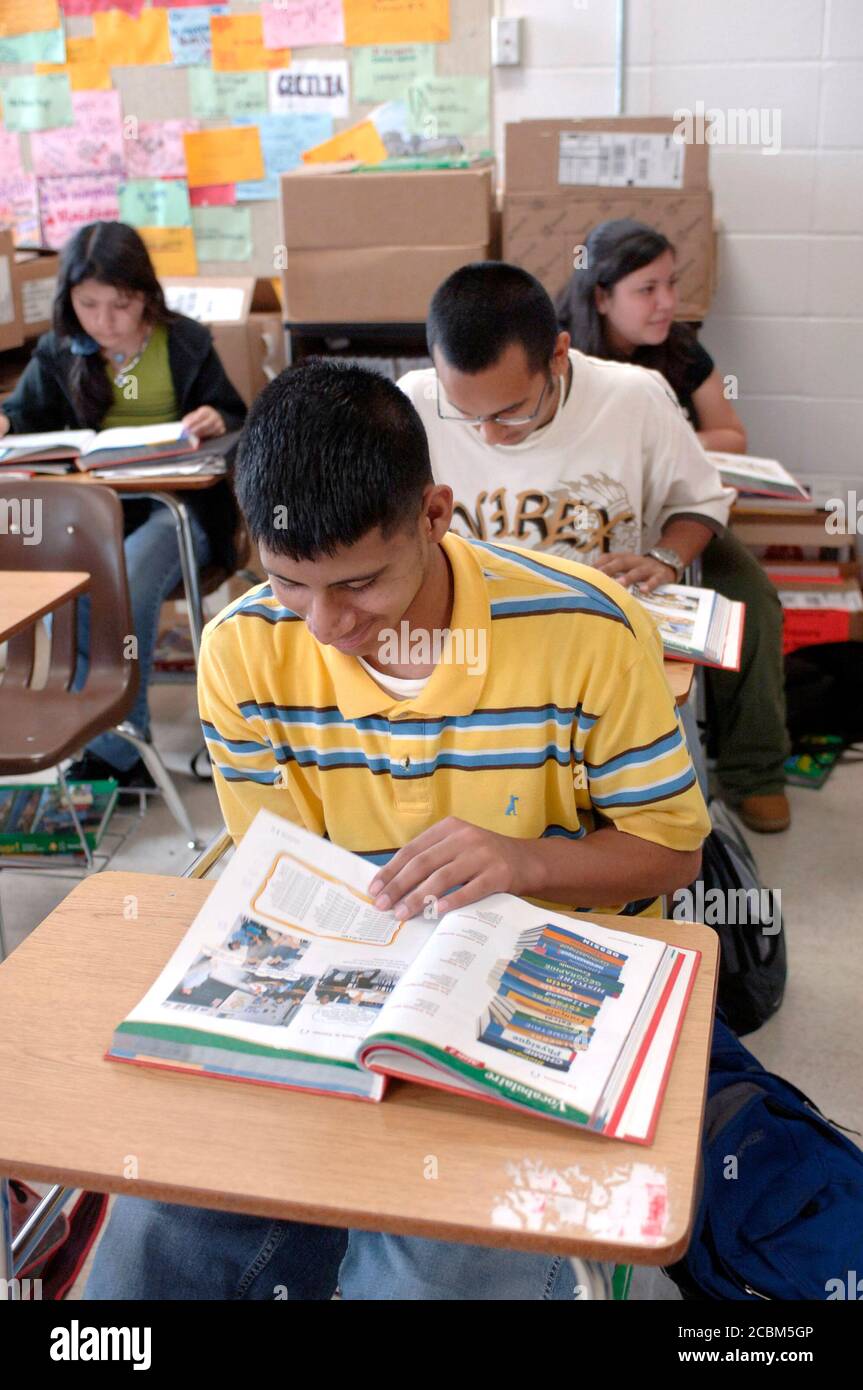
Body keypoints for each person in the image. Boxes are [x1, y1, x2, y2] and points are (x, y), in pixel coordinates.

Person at [85, 359, 708, 1301]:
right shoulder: (245, 648)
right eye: (292, 583)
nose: (328, 624)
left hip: (533, 988)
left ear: (435, 513)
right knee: (159, 1229)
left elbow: (673, 849)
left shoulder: (583, 627)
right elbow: (278, 869)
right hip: (349, 988)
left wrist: (524, 861)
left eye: (362, 584)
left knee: (426, 1267)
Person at [398, 260, 789, 834]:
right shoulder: (411, 401)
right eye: (465, 413)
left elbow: (700, 501)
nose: (488, 434)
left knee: (652, 824)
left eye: (510, 411)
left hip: (599, 643)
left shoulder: (633, 398)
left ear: (558, 354)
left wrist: (664, 557)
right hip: (470, 646)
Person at [556, 222, 791, 831]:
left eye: (672, 283)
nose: (666, 302)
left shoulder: (681, 349)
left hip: (681, 509)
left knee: (753, 600)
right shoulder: (560, 352)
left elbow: (730, 434)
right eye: (647, 288)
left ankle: (754, 771)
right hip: (592, 518)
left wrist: (663, 442)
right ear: (601, 294)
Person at [0, 221, 247, 786]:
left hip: (178, 513)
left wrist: (218, 418)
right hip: (94, 519)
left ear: (146, 296)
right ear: (70, 301)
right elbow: (24, 413)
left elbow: (237, 417)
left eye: (121, 304)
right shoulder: (61, 350)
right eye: (89, 305)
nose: (105, 321)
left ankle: (118, 752)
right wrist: (7, 420)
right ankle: (111, 738)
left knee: (126, 575)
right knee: (83, 576)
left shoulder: (184, 343)